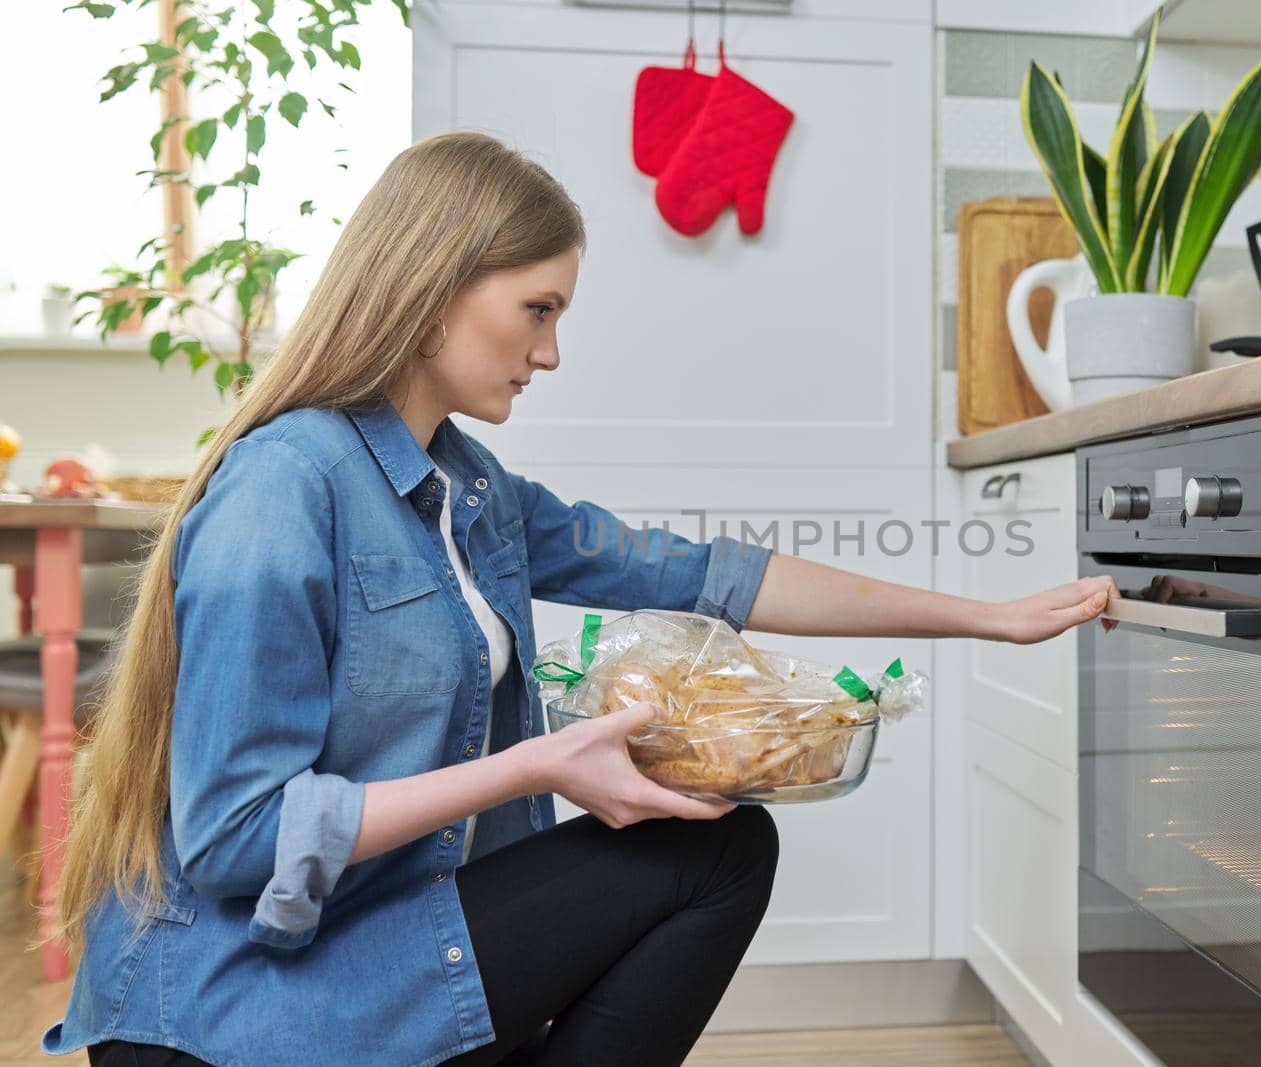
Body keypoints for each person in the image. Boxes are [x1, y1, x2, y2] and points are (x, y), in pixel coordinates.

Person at [41, 131, 1116, 1067]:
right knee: (712, 856)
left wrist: (986, 616)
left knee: (724, 843)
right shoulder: (284, 487)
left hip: (376, 941)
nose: (551, 350)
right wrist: (541, 764)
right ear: (431, 290)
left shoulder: (472, 490)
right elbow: (237, 835)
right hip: (241, 1011)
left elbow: (710, 574)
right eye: (537, 309)